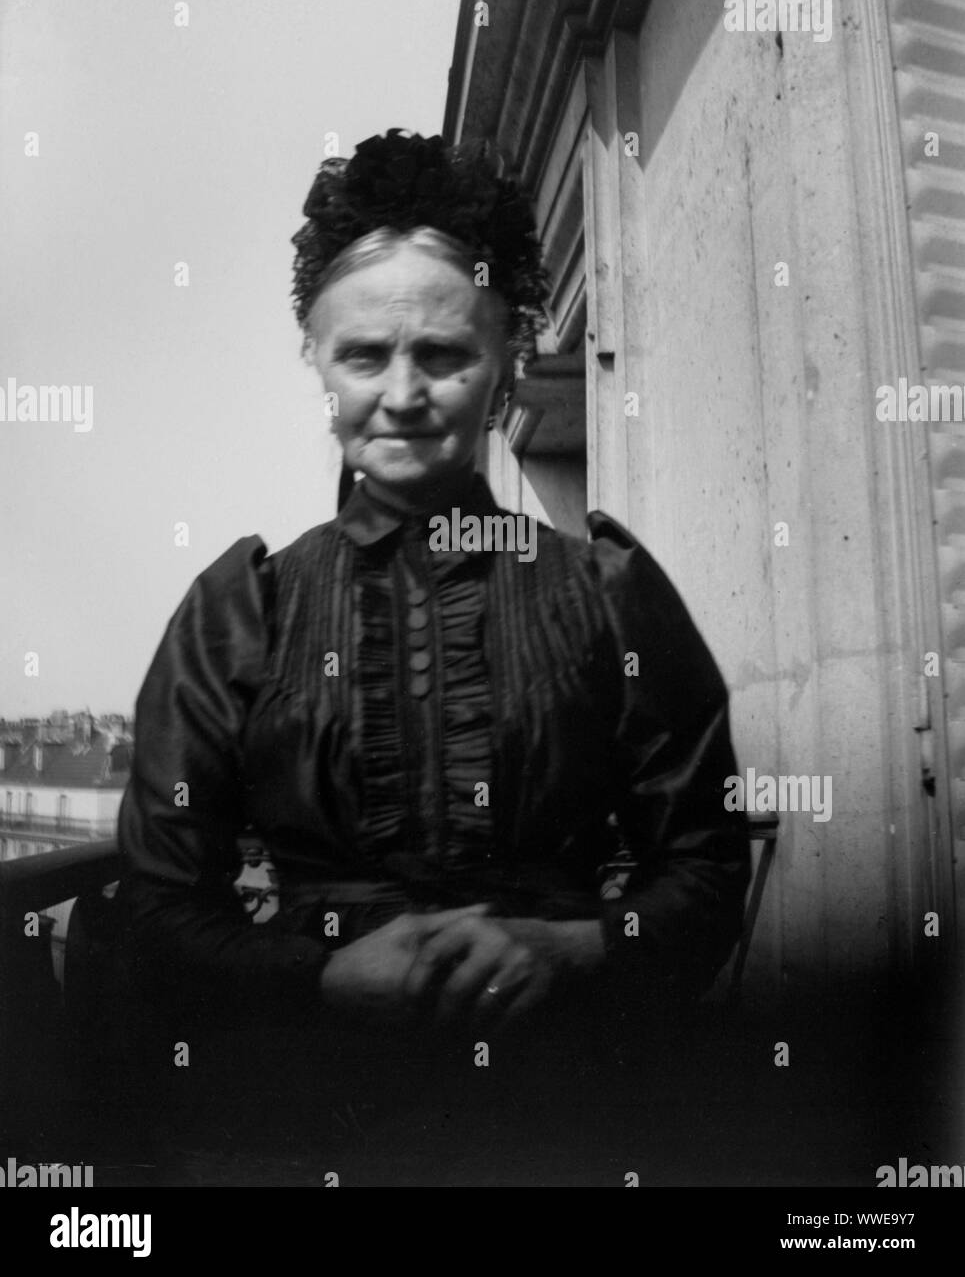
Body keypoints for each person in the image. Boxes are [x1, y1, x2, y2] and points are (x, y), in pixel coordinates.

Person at [115, 130, 749, 1184]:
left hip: (566, 1116)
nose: (401, 393)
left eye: (443, 354)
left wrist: (578, 946)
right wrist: (319, 973)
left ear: (505, 362)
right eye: (364, 354)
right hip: (300, 1124)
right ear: (317, 361)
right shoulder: (243, 607)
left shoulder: (607, 591)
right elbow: (160, 906)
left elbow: (705, 867)